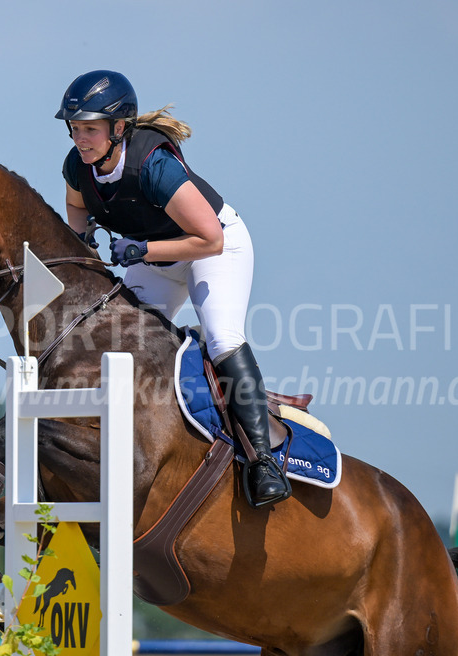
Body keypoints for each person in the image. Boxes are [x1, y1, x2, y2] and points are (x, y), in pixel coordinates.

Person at [56, 69, 291, 508]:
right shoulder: (76, 166)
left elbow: (210, 239)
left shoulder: (154, 165)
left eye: (89, 128)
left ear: (118, 128)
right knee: (117, 345)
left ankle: (264, 462)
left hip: (213, 250)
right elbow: (75, 206)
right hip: (157, 258)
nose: (80, 139)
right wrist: (83, 241)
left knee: (221, 338)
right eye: (74, 128)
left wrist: (143, 248)